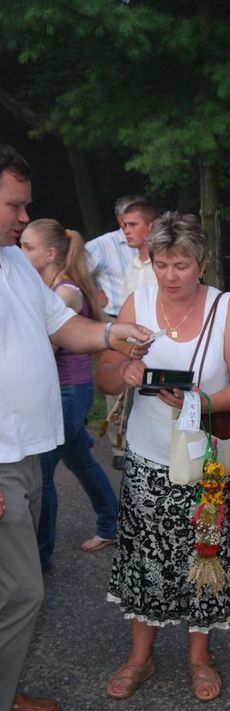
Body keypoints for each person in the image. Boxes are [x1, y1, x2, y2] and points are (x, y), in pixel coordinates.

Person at [0, 144, 152, 711]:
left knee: (14, 591)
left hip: (29, 451)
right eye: (14, 204)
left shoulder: (12, 260)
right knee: (20, 591)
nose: (24, 216)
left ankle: (5, 693)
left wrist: (113, 334)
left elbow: (63, 326)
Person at [96, 211, 230, 703]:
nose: (169, 275)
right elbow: (104, 374)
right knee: (143, 556)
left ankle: (199, 657)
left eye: (181, 265)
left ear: (201, 264)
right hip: (147, 457)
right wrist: (125, 371)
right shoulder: (138, 303)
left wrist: (200, 402)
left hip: (207, 462)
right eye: (161, 264)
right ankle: (139, 656)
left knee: (205, 556)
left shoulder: (226, 308)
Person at [20, 219, 119, 567]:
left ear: (49, 254)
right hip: (63, 391)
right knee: (81, 461)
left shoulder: (66, 293)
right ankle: (112, 524)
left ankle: (40, 556)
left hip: (69, 392)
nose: (21, 253)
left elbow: (43, 344)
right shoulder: (50, 287)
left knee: (44, 472)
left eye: (27, 247)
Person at [85, 194, 146, 467]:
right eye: (124, 222)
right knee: (117, 383)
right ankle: (119, 446)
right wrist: (93, 294)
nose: (127, 228)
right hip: (115, 317)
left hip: (145, 323)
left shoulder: (149, 250)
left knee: (142, 381)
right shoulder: (102, 245)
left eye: (133, 222)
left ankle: (140, 441)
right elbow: (75, 269)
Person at [119, 200, 159, 304]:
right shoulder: (131, 266)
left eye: (133, 225)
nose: (126, 231)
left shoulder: (165, 264)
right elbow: (124, 305)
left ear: (151, 227)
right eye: (125, 226)